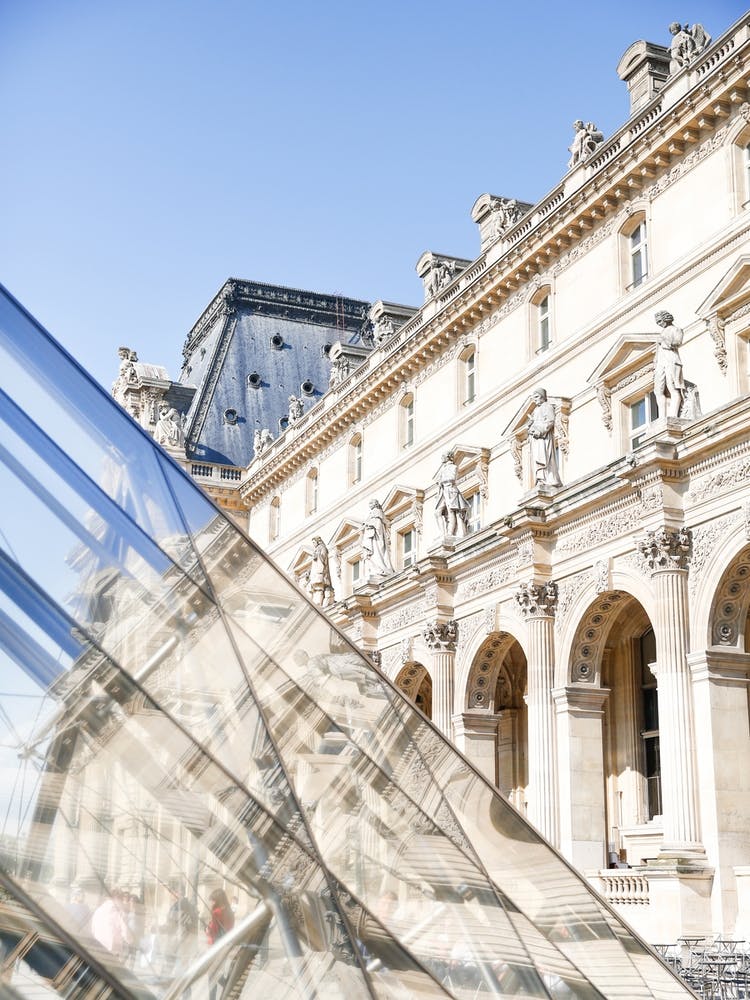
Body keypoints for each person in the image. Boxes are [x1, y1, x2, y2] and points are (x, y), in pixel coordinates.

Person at [527, 388, 562, 488]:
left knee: (545, 457)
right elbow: (534, 423)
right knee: (537, 458)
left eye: (537, 397)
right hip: (536, 439)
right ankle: (540, 479)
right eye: (534, 398)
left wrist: (540, 431)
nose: (535, 400)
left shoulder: (547, 406)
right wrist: (530, 427)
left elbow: (550, 421)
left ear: (543, 396)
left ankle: (548, 478)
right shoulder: (536, 410)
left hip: (544, 438)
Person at [653, 311, 685, 418]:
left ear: (666, 319)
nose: (659, 324)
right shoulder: (661, 333)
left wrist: (664, 341)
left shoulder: (676, 330)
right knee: (658, 390)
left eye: (660, 321)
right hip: (660, 364)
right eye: (657, 322)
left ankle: (673, 415)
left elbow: (677, 342)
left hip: (671, 361)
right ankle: (662, 417)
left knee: (673, 387)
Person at [434, 450, 470, 537]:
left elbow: (452, 478)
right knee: (437, 512)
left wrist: (441, 481)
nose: (442, 457)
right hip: (443, 491)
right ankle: (443, 533)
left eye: (444, 455)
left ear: (448, 457)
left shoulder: (453, 467)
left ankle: (450, 533)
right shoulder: (443, 469)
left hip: (450, 490)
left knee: (451, 511)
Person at [361, 500, 394, 577]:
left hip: (376, 538)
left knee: (377, 553)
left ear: (375, 504)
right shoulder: (372, 513)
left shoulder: (377, 512)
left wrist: (368, 524)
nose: (370, 504)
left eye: (371, 503)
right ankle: (376, 569)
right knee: (374, 556)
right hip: (372, 537)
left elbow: (378, 525)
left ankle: (381, 569)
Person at [309, 536, 334, 606]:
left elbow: (323, 558)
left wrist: (317, 555)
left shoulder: (322, 548)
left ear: (318, 541)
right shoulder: (316, 549)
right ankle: (317, 602)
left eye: (314, 542)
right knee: (315, 587)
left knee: (319, 586)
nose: (313, 544)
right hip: (315, 572)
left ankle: (318, 602)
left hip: (320, 571)